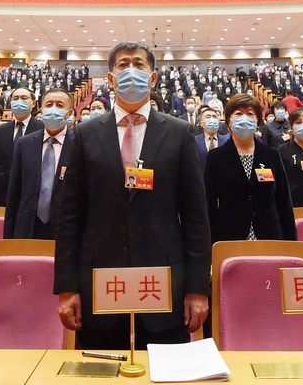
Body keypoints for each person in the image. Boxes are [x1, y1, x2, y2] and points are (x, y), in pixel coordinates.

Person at [54, 41, 211, 349]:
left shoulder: (179, 132)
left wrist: (197, 288)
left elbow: (195, 217)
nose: (130, 70)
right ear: (110, 79)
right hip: (100, 283)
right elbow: (70, 215)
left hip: (164, 283)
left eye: (139, 64)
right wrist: (67, 287)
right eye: (122, 64)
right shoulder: (86, 133)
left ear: (152, 78)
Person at [204, 94, 295, 244]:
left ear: (257, 121)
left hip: (270, 235)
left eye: (250, 114)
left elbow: (284, 201)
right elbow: (209, 204)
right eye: (238, 114)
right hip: (230, 236)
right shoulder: (216, 157)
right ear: (229, 121)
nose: (244, 118)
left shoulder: (272, 155)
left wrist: (291, 243)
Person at [5, 88, 73, 240]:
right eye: (49, 104)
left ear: (69, 113)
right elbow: (14, 193)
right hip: (27, 228)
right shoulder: (25, 143)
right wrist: (8, 237)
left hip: (65, 231)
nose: (53, 108)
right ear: (41, 110)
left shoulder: (79, 144)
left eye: (59, 105)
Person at [0, 86, 41, 206]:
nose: (19, 101)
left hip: (31, 194)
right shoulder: (0, 131)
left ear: (33, 103)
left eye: (24, 98)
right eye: (15, 98)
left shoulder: (42, 128)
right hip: (2, 193)